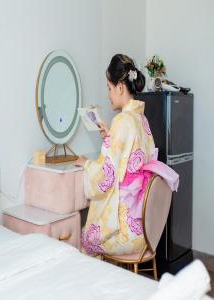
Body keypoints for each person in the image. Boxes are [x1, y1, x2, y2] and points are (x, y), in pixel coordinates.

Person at [75, 54, 156, 256]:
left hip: (127, 233)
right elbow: (127, 161)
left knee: (85, 242)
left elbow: (106, 175)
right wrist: (110, 138)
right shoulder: (140, 119)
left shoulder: (122, 121)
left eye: (109, 89)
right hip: (145, 227)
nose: (109, 95)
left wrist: (86, 164)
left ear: (120, 87)